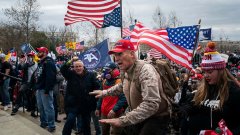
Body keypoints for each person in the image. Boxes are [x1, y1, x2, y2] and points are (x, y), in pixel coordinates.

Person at [90, 39, 170, 135]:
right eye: (114, 55)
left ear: (132, 54)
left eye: (119, 54)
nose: (116, 58)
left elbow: (151, 104)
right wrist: (104, 93)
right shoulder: (125, 70)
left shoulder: (146, 71)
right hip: (139, 116)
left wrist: (122, 120)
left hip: (156, 118)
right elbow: (122, 86)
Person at [185, 42, 240, 135]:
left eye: (210, 72)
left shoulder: (234, 92)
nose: (206, 75)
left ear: (221, 71)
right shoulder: (202, 90)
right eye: (204, 72)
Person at [60, 57, 100, 135]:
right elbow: (63, 69)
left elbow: (97, 87)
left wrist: (94, 101)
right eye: (76, 67)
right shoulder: (70, 74)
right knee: (70, 121)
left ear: (83, 67)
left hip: (86, 105)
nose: (78, 68)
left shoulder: (91, 75)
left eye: (80, 66)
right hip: (73, 105)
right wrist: (71, 60)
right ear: (73, 68)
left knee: (86, 125)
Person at [96, 62, 127, 135]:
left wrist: (114, 110)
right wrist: (98, 108)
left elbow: (123, 98)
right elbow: (102, 95)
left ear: (115, 70)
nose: (106, 71)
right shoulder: (104, 81)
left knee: (116, 132)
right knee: (104, 131)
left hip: (116, 112)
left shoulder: (119, 82)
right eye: (105, 69)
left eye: (108, 70)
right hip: (104, 111)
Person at [35, 47, 56, 132]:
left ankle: (51, 125)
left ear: (44, 52)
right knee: (41, 107)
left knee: (48, 108)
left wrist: (47, 89)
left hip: (45, 89)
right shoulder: (41, 62)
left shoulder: (49, 62)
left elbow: (50, 78)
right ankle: (44, 122)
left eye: (39, 51)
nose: (38, 53)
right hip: (39, 88)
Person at [11, 52, 38, 116]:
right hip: (26, 82)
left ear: (34, 57)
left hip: (33, 83)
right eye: (29, 56)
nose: (30, 57)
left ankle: (33, 111)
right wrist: (26, 62)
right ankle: (16, 107)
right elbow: (22, 67)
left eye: (31, 56)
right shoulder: (26, 64)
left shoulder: (37, 64)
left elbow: (36, 74)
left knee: (32, 96)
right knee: (20, 91)